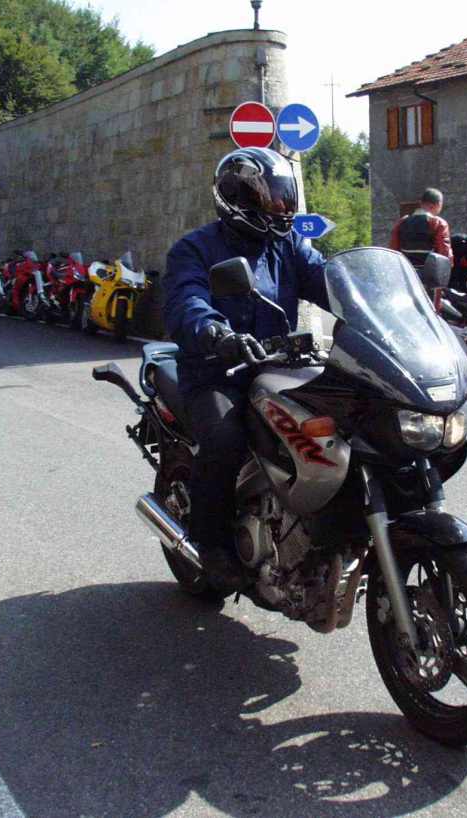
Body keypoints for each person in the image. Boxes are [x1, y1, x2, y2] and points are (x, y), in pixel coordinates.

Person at [163, 147, 329, 594]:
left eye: (284, 195)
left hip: (279, 369)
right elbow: (186, 301)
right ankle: (213, 546)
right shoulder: (194, 249)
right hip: (217, 372)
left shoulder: (287, 245)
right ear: (238, 199)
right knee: (225, 438)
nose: (280, 205)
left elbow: (328, 279)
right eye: (270, 196)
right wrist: (217, 333)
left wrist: (372, 300)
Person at [389, 188, 453, 269]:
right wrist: (448, 267)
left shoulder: (402, 222)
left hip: (407, 272)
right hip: (429, 273)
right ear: (438, 205)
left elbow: (393, 250)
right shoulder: (439, 223)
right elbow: (444, 253)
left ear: (421, 203)